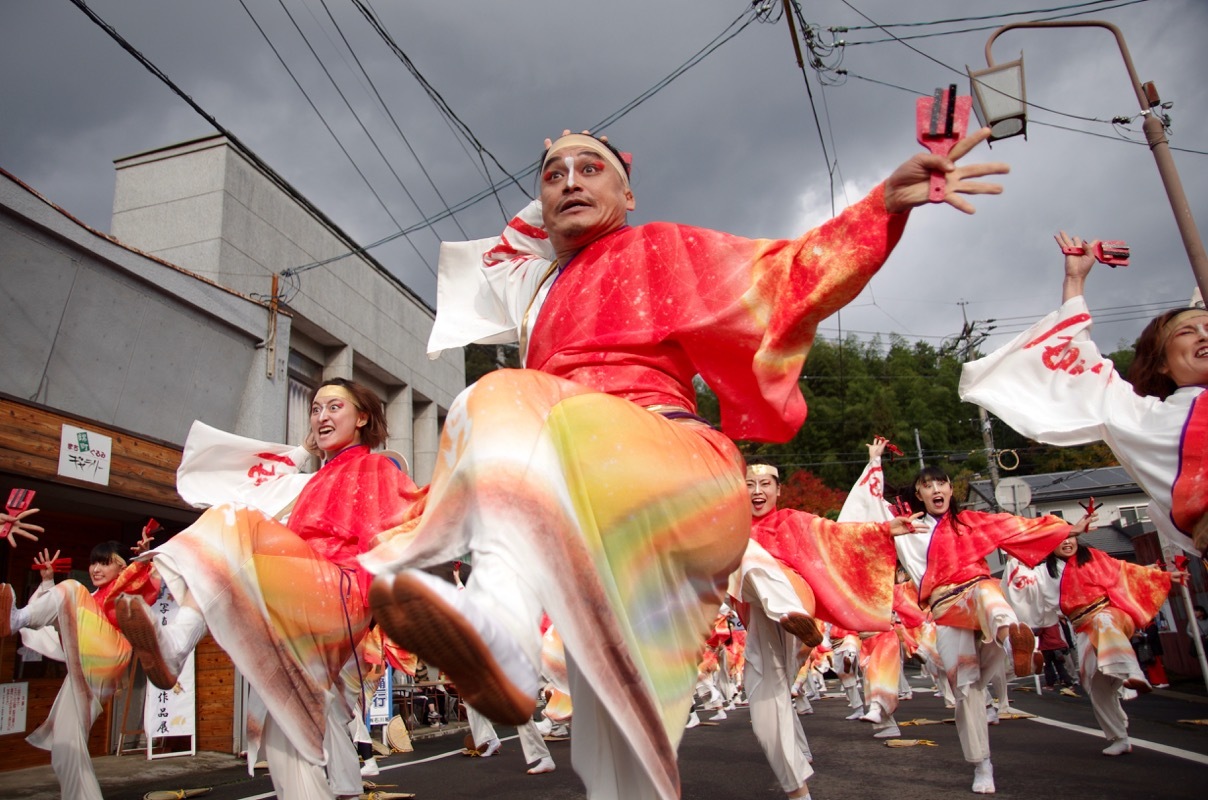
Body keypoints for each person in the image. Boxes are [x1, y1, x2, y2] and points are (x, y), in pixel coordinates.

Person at [360, 127, 1008, 800]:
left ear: (629, 194)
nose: (571, 181)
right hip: (590, 520)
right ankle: (510, 635)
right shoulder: (540, 294)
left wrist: (883, 206)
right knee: (622, 755)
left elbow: (791, 274)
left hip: (672, 472)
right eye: (554, 175)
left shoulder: (657, 247)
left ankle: (504, 627)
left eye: (591, 169)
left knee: (497, 395)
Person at [114, 379, 422, 800]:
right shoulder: (310, 482)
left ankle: (175, 645)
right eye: (315, 409)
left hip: (341, 594)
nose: (321, 416)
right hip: (306, 596)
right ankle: (347, 788)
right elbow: (256, 502)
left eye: (334, 407)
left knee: (232, 523)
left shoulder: (379, 468)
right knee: (291, 718)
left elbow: (409, 525)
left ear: (363, 417)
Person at [960, 231, 1208, 561]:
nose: (1203, 336)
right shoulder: (1145, 418)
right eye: (1188, 332)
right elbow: (1077, 353)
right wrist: (1075, 280)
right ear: (1161, 363)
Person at [732, 457, 925, 797]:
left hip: (794, 600)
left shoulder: (793, 521)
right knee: (766, 718)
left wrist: (884, 529)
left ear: (779, 490)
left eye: (765, 484)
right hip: (762, 621)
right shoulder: (731, 527)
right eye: (749, 485)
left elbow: (838, 534)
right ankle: (799, 791)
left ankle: (793, 616)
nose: (757, 491)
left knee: (745, 551)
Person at [898, 467, 1084, 793]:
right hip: (944, 606)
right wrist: (874, 465)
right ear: (919, 494)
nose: (936, 490)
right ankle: (982, 763)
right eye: (928, 486)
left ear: (951, 490)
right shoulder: (910, 529)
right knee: (967, 688)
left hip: (977, 592)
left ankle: (1011, 640)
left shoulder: (972, 521)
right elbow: (865, 534)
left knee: (988, 593)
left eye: (941, 483)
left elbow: (1017, 526)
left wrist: (1065, 530)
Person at [2, 537, 159, 800]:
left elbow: (148, 583)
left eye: (104, 563)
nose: (96, 569)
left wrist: (145, 560)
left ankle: (18, 618)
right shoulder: (93, 599)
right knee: (66, 750)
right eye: (94, 563)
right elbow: (58, 619)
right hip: (89, 664)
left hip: (108, 652)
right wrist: (48, 582)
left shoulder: (128, 587)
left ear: (122, 567)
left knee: (72, 588)